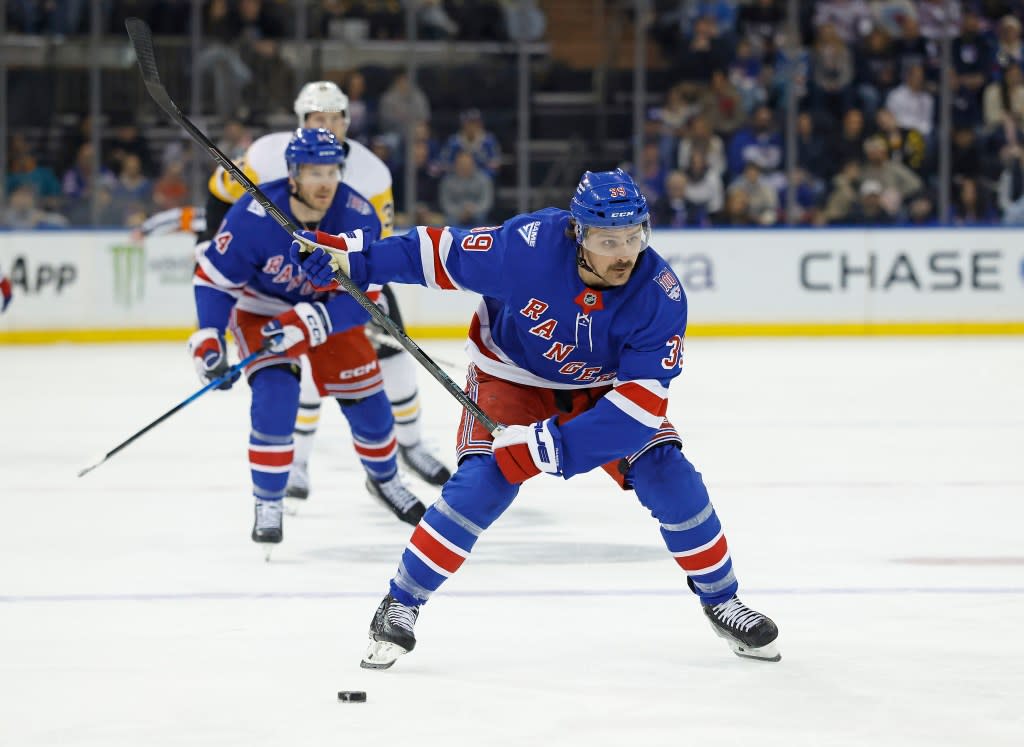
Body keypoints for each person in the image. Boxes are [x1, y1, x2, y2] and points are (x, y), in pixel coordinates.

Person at [293, 168, 781, 667]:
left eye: (634, 236)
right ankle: (400, 603)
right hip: (511, 376)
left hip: (603, 391)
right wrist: (353, 257)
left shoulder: (659, 294)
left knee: (669, 475)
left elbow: (636, 414)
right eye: (608, 239)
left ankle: (723, 599)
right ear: (577, 232)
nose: (624, 253)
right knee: (483, 482)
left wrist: (548, 447)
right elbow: (438, 255)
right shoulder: (527, 247)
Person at [200, 80, 451, 502]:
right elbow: (220, 194)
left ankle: (410, 445)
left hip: (348, 276)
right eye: (319, 118)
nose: (328, 126)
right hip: (278, 279)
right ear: (302, 121)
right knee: (296, 368)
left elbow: (378, 243)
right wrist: (210, 241)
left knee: (394, 358)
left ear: (348, 121)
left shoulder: (371, 171)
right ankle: (296, 460)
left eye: (336, 118)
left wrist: (346, 283)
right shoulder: (265, 154)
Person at [189, 128, 429, 552]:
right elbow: (215, 279)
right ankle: (268, 502)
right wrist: (209, 334)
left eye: (331, 170)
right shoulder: (253, 214)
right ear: (293, 174)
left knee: (370, 407)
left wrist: (314, 318)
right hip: (263, 310)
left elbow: (368, 298)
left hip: (331, 312)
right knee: (275, 397)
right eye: (313, 171)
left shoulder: (357, 215)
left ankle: (386, 481)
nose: (324, 181)